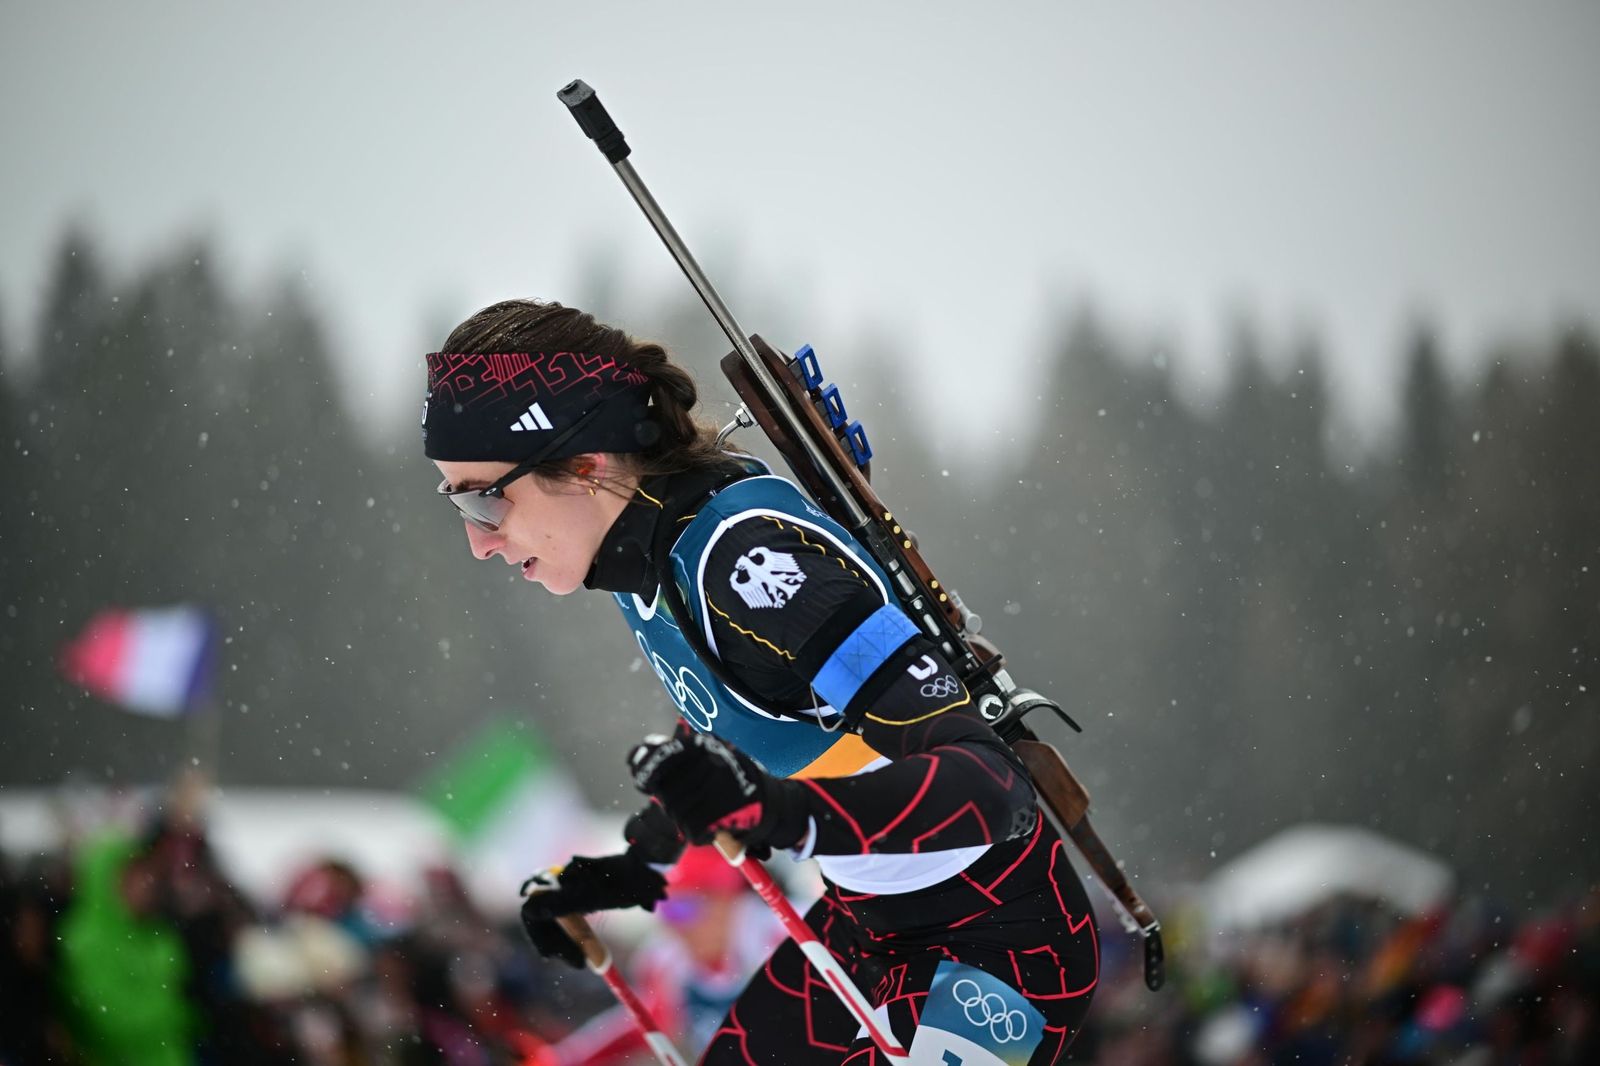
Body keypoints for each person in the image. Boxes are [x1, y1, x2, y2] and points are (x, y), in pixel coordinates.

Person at [422, 299, 1099, 1065]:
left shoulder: (744, 566)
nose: (478, 543)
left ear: (586, 465)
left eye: (485, 497)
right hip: (869, 921)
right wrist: (631, 866)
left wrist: (779, 812)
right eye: (456, 501)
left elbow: (989, 786)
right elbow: (730, 724)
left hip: (995, 947)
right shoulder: (643, 562)